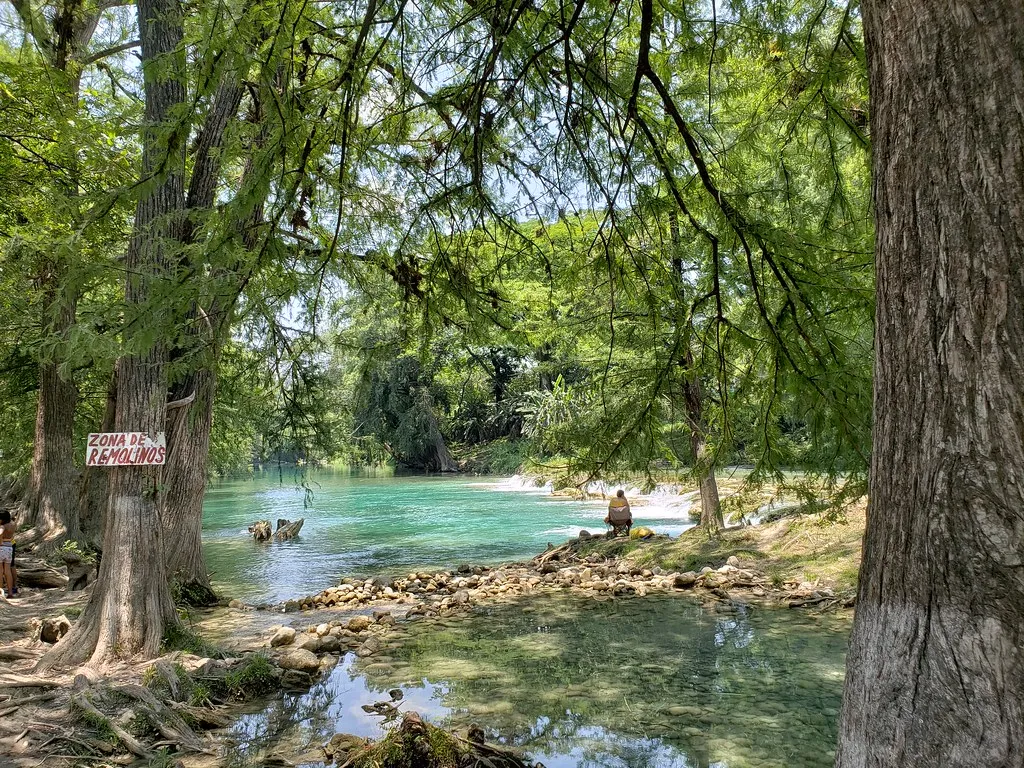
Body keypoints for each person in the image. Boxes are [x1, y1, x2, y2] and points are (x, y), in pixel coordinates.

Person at [0, 510, 15, 598]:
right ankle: (10, 592)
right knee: (7, 571)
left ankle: (1, 591)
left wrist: (1, 540)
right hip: (9, 548)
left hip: (1, 548)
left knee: (0, 571)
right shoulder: (13, 525)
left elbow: (0, 533)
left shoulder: (2, 526)